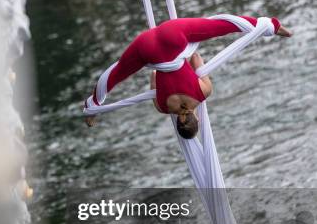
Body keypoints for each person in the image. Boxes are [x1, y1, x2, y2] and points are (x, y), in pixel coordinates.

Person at [84, 16, 292, 138]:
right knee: (117, 73)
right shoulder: (163, 108)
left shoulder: (203, 93)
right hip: (146, 48)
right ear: (177, 122)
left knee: (221, 25)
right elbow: (155, 75)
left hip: (174, 36)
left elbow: (197, 59)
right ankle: (92, 107)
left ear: (198, 118)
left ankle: (271, 26)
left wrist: (187, 53)